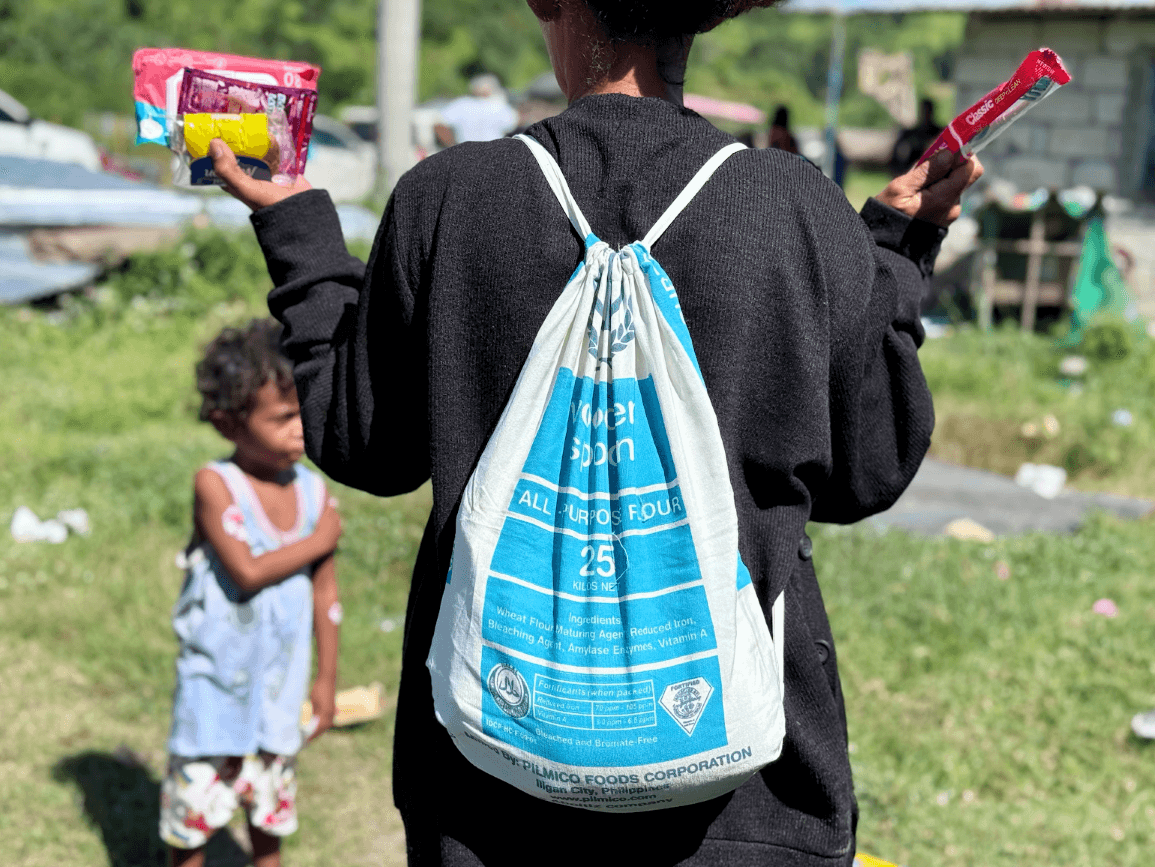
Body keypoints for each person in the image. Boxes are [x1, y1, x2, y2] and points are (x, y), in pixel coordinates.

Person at [208, 1, 982, 863]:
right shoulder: (793, 205)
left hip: (485, 793)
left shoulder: (450, 197)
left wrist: (301, 235)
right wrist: (885, 254)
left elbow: (365, 444)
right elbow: (864, 470)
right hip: (746, 806)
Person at [160, 319, 342, 867]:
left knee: (269, 821)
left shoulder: (313, 493)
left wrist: (327, 682)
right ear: (228, 423)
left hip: (279, 698)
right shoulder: (215, 486)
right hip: (211, 696)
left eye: (303, 411)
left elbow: (326, 598)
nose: (300, 430)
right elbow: (245, 571)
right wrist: (320, 539)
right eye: (284, 417)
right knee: (191, 827)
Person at [434, 73, 520, 147]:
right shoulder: (499, 106)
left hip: (465, 151)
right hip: (492, 152)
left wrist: (451, 145)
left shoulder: (462, 104)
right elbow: (514, 123)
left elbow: (439, 123)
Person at [889, 97, 943, 178]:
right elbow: (896, 152)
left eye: (928, 110)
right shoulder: (910, 133)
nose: (926, 114)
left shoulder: (938, 132)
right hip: (912, 169)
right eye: (924, 111)